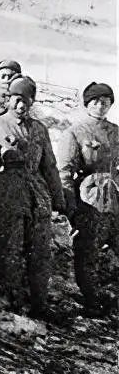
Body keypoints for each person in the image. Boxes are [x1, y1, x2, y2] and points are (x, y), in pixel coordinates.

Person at [0, 75, 65, 318]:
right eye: (17, 100)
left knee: (40, 252)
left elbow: (50, 166)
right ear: (8, 99)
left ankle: (39, 304)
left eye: (27, 101)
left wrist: (59, 198)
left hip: (37, 196)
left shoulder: (39, 129)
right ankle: (12, 303)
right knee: (10, 248)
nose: (22, 106)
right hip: (7, 196)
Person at [57, 82, 119, 317]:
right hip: (89, 197)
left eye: (105, 102)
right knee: (88, 251)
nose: (100, 106)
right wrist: (69, 204)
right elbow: (65, 171)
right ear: (86, 104)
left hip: (115, 197)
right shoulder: (75, 132)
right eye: (95, 102)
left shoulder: (116, 132)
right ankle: (92, 300)